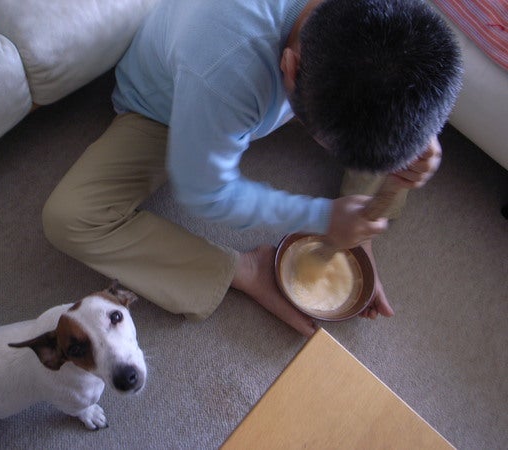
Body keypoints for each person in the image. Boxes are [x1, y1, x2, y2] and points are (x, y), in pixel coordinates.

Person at [42, 0, 462, 337]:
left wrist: (420, 140)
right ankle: (249, 270)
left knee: (394, 128)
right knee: (70, 218)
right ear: (290, 68)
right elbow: (206, 191)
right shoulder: (224, 65)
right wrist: (321, 216)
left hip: (277, 75)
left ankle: (360, 224)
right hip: (169, 107)